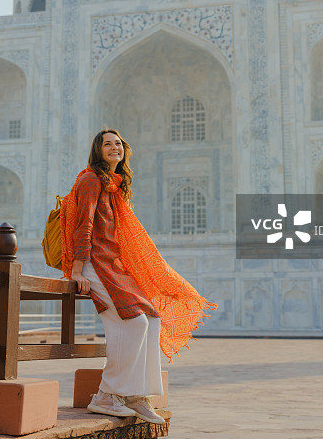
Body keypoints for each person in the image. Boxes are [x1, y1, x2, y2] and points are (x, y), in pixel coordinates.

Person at [60, 128, 217, 424]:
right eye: (107, 144)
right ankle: (107, 394)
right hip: (95, 264)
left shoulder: (113, 185)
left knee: (151, 319)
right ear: (97, 150)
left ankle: (137, 395)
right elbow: (84, 225)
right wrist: (78, 269)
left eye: (117, 144)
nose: (114, 148)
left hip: (114, 264)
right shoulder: (91, 179)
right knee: (135, 322)